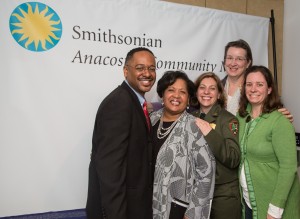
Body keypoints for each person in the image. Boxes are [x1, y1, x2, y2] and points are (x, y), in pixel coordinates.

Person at [86, 47, 156, 219]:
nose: (147, 73)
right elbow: (110, 172)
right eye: (139, 68)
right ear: (126, 71)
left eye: (152, 68)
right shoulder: (119, 103)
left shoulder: (134, 102)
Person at [151, 70, 215, 219]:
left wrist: (192, 213)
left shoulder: (194, 126)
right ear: (162, 94)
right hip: (148, 204)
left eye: (182, 92)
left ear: (188, 99)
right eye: (171, 90)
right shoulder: (151, 120)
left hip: (178, 209)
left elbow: (206, 173)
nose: (176, 96)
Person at [237, 65, 300, 219]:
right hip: (248, 202)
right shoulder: (241, 118)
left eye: (260, 84)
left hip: (273, 207)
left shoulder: (280, 121)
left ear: (269, 89)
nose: (253, 89)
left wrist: (275, 209)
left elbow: (289, 167)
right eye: (249, 84)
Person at [192, 72, 241, 219]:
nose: (206, 92)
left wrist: (209, 132)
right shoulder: (190, 117)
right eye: (202, 87)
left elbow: (233, 158)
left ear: (219, 94)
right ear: (196, 92)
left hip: (222, 196)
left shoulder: (228, 120)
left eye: (212, 88)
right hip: (197, 194)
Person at [223, 39, 293, 121]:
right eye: (229, 58)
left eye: (239, 59)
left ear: (248, 63)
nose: (233, 63)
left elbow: (275, 116)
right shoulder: (214, 88)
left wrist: (281, 118)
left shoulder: (257, 91)